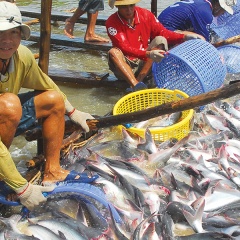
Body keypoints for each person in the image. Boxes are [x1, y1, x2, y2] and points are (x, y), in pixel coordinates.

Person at [0, 1, 98, 211]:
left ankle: (53, 171)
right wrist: (22, 188)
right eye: (0, 33)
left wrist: (73, 111)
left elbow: (47, 84)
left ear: (21, 35)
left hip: (5, 118)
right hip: (6, 112)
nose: (7, 41)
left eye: (14, 32)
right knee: (10, 104)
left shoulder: (21, 56)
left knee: (53, 99)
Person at [106, 0, 204, 92]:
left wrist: (184, 37)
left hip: (143, 61)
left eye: (131, 5)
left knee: (160, 40)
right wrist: (148, 53)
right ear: (117, 6)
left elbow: (163, 32)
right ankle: (135, 85)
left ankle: (140, 80)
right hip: (125, 63)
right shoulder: (111, 22)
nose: (129, 10)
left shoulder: (145, 14)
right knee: (113, 52)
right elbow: (124, 48)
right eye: (124, 7)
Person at [158, 0, 237, 42]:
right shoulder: (205, 12)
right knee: (200, 39)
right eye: (224, 10)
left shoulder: (201, 3)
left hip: (160, 24)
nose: (223, 13)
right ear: (217, 5)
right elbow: (206, 41)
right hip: (164, 30)